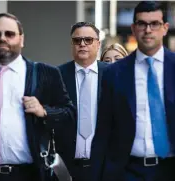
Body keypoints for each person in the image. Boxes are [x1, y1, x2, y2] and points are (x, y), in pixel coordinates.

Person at [0, 13, 76, 181]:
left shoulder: (45, 73)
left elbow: (69, 115)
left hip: (28, 174)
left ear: (21, 39)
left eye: (9, 34)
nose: (2, 39)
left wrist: (44, 111)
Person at [91, 1, 175, 181]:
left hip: (170, 170)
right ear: (133, 28)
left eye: (154, 24)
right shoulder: (114, 73)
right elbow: (103, 130)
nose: (148, 29)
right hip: (128, 171)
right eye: (142, 24)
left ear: (165, 28)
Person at [58, 22, 108, 181]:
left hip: (104, 166)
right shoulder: (57, 75)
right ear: (71, 44)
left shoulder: (112, 74)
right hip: (67, 167)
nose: (82, 44)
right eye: (77, 40)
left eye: (88, 40)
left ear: (98, 44)